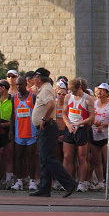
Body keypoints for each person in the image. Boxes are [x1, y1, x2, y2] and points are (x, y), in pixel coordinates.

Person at [30, 68, 77, 197]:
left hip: (48, 126)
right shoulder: (45, 88)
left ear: (39, 78)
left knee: (47, 158)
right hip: (47, 127)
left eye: (35, 77)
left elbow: (51, 104)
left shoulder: (45, 89)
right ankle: (45, 187)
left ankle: (69, 182)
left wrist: (44, 119)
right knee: (44, 158)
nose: (33, 79)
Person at [62, 77, 95, 192]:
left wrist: (80, 123)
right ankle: (67, 182)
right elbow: (64, 113)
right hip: (70, 128)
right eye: (71, 91)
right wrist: (68, 125)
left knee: (82, 157)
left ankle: (81, 182)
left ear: (80, 87)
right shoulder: (68, 97)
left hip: (81, 129)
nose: (73, 94)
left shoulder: (88, 99)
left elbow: (92, 116)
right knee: (67, 156)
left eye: (75, 91)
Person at [11, 76, 37, 191]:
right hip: (19, 133)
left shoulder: (33, 97)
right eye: (16, 85)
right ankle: (19, 180)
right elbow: (13, 115)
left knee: (31, 157)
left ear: (25, 85)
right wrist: (11, 130)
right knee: (18, 157)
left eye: (20, 85)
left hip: (31, 132)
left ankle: (32, 181)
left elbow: (37, 114)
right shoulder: (14, 97)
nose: (18, 87)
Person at [90, 83, 109, 191]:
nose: (99, 92)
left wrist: (103, 125)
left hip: (106, 135)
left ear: (108, 93)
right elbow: (89, 117)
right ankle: (100, 182)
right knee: (96, 160)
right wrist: (94, 122)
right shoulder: (93, 104)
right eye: (98, 90)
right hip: (94, 134)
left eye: (102, 90)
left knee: (107, 160)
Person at [0, 79, 14, 189]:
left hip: (7, 128)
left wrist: (2, 126)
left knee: (9, 155)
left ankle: (8, 180)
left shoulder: (12, 100)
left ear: (3, 88)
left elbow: (14, 118)